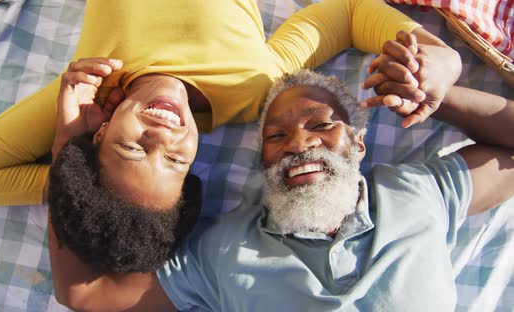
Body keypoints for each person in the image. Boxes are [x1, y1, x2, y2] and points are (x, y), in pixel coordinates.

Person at [48, 35, 514, 310]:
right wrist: (69, 142)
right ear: (263, 163)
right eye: (276, 137)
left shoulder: (415, 193)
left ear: (359, 145)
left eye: (322, 125)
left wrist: (441, 96)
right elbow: (84, 294)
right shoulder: (222, 253)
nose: (299, 144)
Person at [0, 0, 455, 207]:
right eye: (175, 159)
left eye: (132, 151)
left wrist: (74, 150)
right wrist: (440, 59)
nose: (163, 137)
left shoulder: (91, 85)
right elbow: (345, 14)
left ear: (99, 135)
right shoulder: (257, 85)